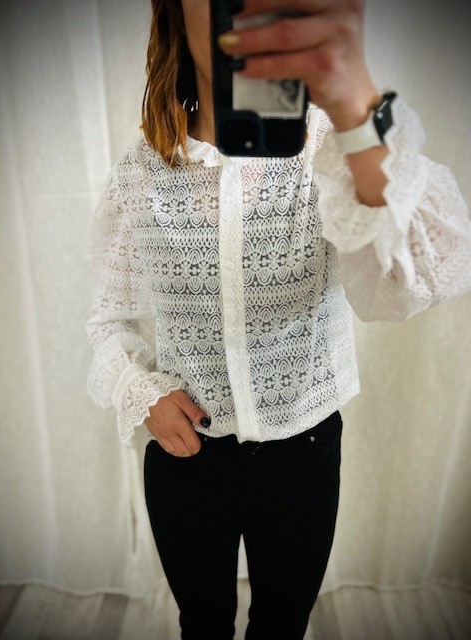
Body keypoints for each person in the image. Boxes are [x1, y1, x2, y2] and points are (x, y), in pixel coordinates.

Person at [85, 1, 471, 638]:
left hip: (304, 453)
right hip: (187, 455)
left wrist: (356, 106)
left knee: (283, 625)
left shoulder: (330, 151)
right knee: (202, 624)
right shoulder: (141, 171)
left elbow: (423, 273)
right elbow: (109, 319)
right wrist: (141, 391)